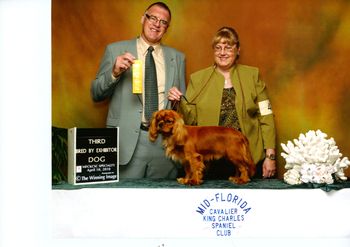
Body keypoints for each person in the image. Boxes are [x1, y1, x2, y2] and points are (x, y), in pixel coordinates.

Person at [91, 2, 186, 179]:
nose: (157, 24)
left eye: (163, 22)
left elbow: (183, 107)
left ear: (167, 28)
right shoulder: (115, 50)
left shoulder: (177, 58)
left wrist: (177, 101)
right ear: (143, 18)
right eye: (153, 18)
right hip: (128, 143)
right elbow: (96, 94)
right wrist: (114, 73)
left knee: (165, 202)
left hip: (164, 143)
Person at [168, 27, 276, 179]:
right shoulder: (198, 79)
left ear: (238, 50)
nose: (222, 52)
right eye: (218, 48)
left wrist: (270, 157)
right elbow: (189, 121)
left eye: (228, 47)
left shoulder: (252, 75)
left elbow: (266, 116)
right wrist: (177, 102)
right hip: (209, 161)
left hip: (245, 157)